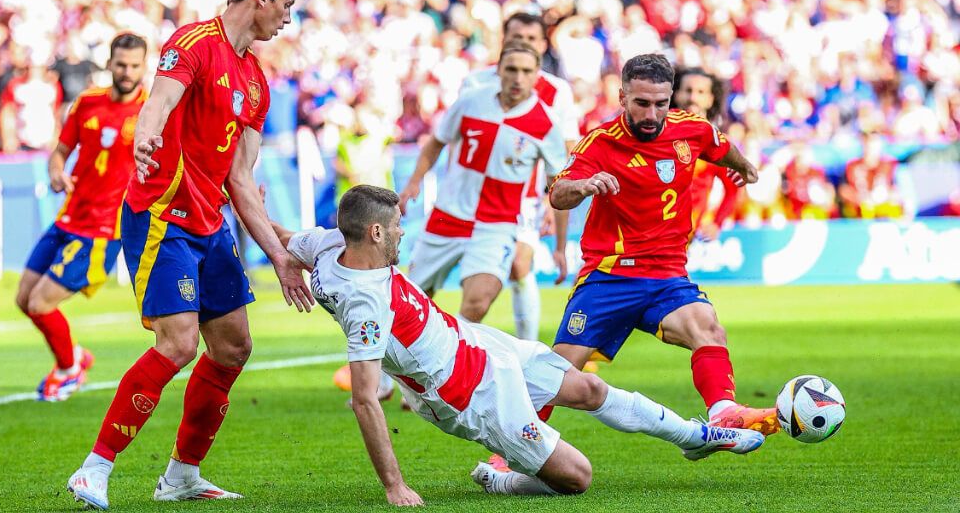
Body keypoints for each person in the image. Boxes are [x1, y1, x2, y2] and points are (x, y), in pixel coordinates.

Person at [277, 185, 764, 505]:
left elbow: (282, 238)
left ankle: (697, 437)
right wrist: (395, 487)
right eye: (398, 224)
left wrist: (261, 225)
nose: (404, 231)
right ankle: (500, 477)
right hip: (471, 395)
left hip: (480, 344)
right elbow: (365, 399)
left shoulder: (330, 246)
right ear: (375, 231)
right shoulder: (365, 303)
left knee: (589, 389)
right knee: (577, 477)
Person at [66, 0, 311, 510]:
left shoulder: (256, 81)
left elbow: (241, 180)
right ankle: (94, 469)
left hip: (210, 223)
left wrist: (278, 256)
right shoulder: (194, 42)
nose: (288, 17)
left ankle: (181, 474)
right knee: (177, 343)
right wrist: (145, 138)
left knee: (233, 347)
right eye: (286, 4)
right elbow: (158, 105)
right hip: (162, 215)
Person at [546, 54, 780, 441]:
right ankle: (510, 451)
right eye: (642, 103)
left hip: (666, 274)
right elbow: (558, 193)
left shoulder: (691, 129)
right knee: (555, 374)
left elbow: (720, 145)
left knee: (708, 327)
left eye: (661, 103)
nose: (652, 114)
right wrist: (584, 186)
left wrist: (744, 167)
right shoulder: (601, 143)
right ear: (622, 97)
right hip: (610, 275)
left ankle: (724, 413)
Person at [398, 40, 569, 330]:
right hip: (448, 215)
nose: (518, 78)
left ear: (537, 75)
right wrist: (413, 183)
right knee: (411, 302)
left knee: (479, 301)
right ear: (498, 70)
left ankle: (449, 351)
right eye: (511, 69)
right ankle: (400, 360)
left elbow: (560, 188)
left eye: (526, 71)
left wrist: (560, 248)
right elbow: (436, 143)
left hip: (496, 225)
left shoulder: (546, 124)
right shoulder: (471, 101)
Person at [15, 32, 148, 402]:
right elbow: (59, 152)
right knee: (24, 299)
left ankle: (68, 370)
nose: (127, 72)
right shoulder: (88, 102)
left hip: (103, 229)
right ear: (109, 63)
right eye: (121, 64)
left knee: (41, 303)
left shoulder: (151, 112)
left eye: (134, 66)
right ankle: (73, 356)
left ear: (143, 67)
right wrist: (56, 172)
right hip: (69, 216)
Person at [460, 11, 580, 342]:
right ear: (504, 41)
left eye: (531, 39)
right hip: (467, 197)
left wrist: (552, 199)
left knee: (519, 265)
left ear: (542, 44)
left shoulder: (557, 91)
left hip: (523, 197)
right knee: (460, 284)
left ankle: (528, 351)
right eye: (516, 38)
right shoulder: (476, 82)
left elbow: (567, 150)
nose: (524, 44)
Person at [672, 67, 739, 240]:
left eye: (700, 92)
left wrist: (717, 222)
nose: (693, 97)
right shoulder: (656, 135)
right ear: (676, 94)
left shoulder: (718, 145)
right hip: (650, 235)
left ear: (710, 99)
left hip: (687, 238)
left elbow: (733, 189)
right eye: (688, 90)